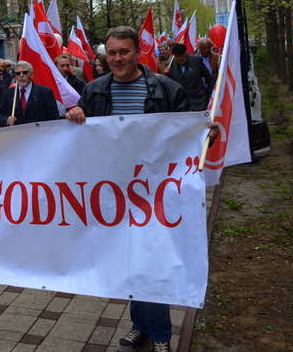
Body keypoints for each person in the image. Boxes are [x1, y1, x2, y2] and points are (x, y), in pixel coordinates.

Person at [66, 26, 217, 352]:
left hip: (155, 191)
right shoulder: (93, 90)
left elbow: (187, 131)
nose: (118, 58)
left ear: (137, 52)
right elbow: (79, 134)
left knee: (153, 261)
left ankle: (160, 335)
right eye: (112, 52)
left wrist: (205, 133)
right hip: (113, 193)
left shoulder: (167, 89)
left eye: (124, 51)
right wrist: (75, 113)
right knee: (132, 262)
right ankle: (141, 326)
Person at [0, 61, 59, 126]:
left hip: (39, 131)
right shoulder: (7, 94)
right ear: (15, 77)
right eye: (18, 73)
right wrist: (6, 120)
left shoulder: (45, 93)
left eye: (25, 72)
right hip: (17, 131)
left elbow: (54, 118)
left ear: (32, 75)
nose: (21, 75)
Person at [165, 43, 213, 111]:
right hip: (181, 104)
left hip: (199, 102)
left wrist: (210, 96)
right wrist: (166, 75)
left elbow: (209, 78)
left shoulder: (196, 60)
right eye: (177, 57)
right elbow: (169, 85)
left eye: (182, 56)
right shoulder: (170, 65)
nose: (180, 59)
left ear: (186, 53)